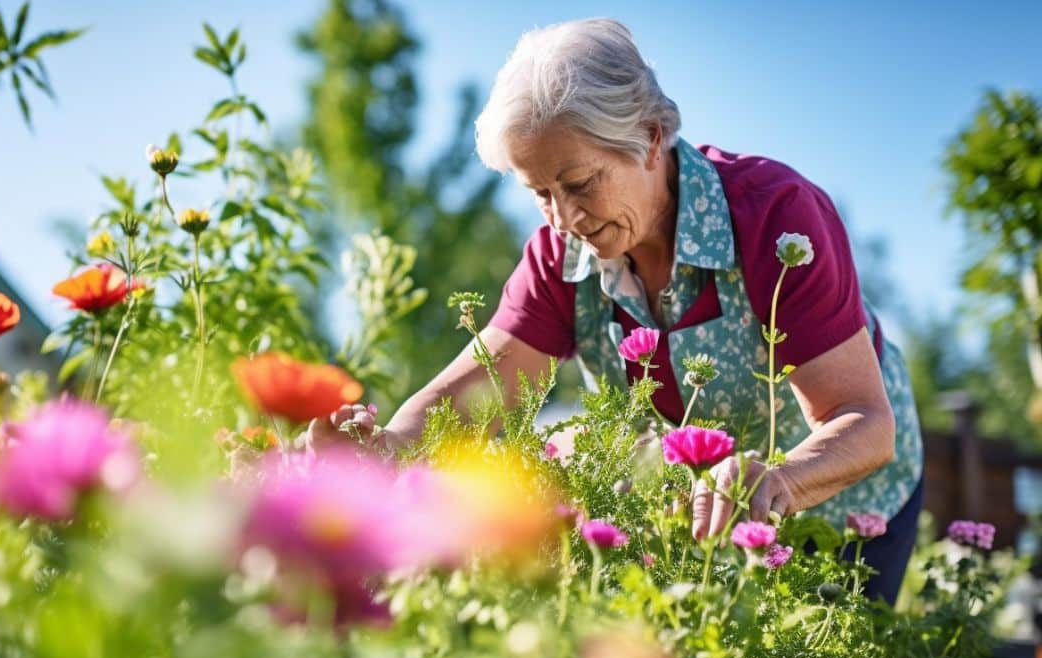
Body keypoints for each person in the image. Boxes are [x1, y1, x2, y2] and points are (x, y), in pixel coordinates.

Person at [307, 18, 923, 604]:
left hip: (844, 505)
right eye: (540, 194)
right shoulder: (558, 253)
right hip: (699, 518)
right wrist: (385, 449)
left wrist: (779, 481)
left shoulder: (773, 216)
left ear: (650, 139)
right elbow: (478, 392)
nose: (564, 219)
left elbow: (864, 421)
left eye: (579, 184)